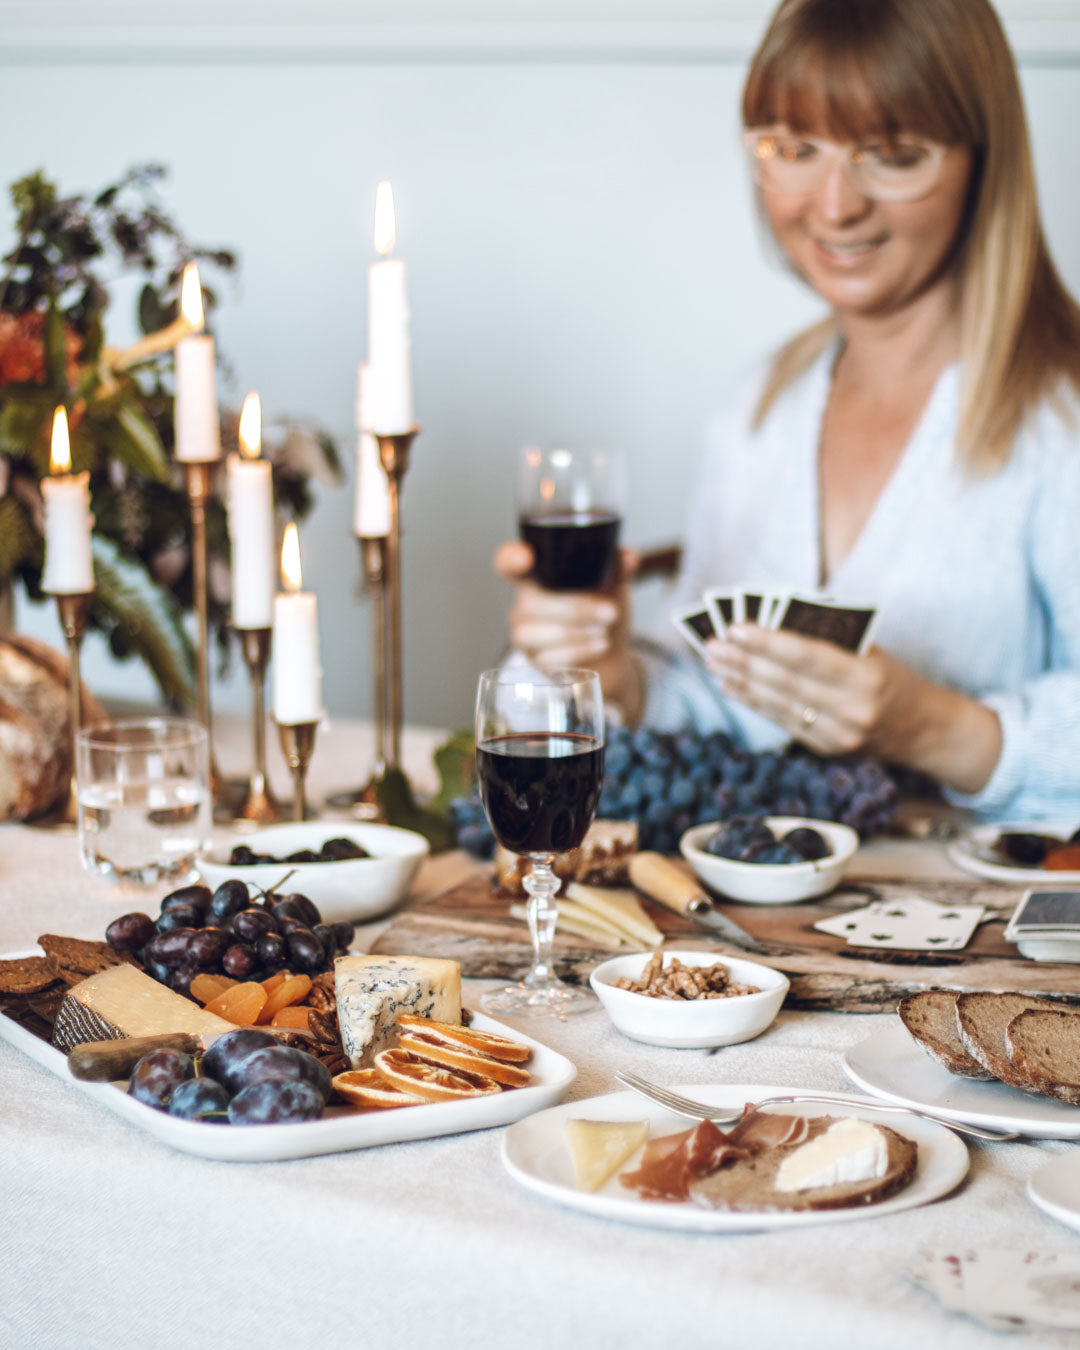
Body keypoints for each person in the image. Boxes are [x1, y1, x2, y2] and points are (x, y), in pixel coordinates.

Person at [495, 0, 1080, 822]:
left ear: (984, 161)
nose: (834, 206)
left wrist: (941, 729)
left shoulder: (1062, 416)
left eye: (893, 156)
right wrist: (619, 675)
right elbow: (723, 712)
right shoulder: (765, 405)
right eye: (795, 150)